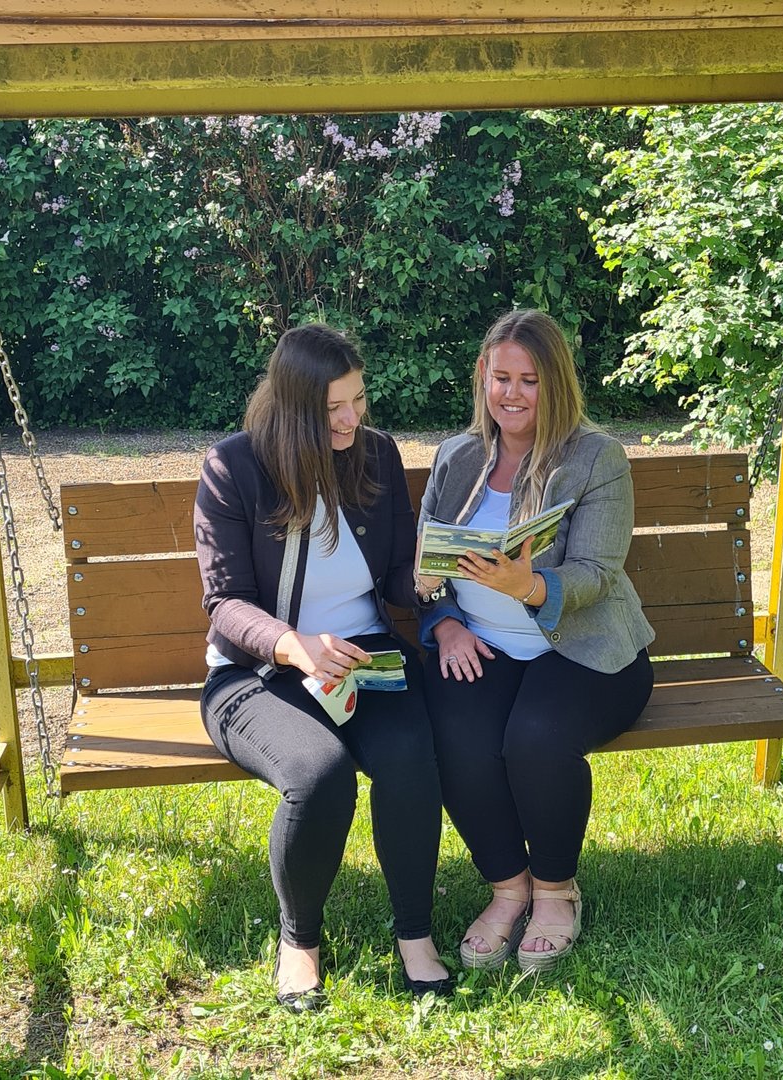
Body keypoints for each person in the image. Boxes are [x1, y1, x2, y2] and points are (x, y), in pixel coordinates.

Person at [195, 323, 450, 1013]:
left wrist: (426, 580)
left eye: (358, 400)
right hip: (256, 675)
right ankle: (300, 942)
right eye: (332, 408)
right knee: (319, 774)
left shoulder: (376, 454)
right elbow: (225, 602)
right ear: (292, 408)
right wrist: (293, 644)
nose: (350, 419)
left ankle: (415, 933)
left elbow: (394, 579)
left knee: (409, 756)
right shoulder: (234, 467)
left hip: (363, 659)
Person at [415, 310, 655, 973]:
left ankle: (554, 892)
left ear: (556, 382)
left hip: (584, 649)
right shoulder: (458, 456)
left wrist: (530, 585)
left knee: (536, 738)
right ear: (483, 377)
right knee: (455, 736)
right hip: (481, 643)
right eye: (502, 378)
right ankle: (507, 887)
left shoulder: (596, 457)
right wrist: (446, 620)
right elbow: (425, 565)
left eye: (530, 380)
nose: (513, 394)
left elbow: (597, 573)